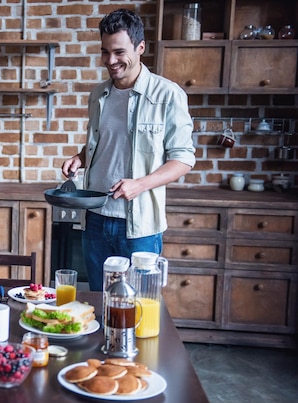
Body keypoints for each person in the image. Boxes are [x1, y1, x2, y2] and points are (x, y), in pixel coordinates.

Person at [62, 9, 196, 291]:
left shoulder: (167, 95)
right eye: (105, 52)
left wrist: (140, 185)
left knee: (139, 309)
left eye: (120, 52)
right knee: (101, 304)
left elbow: (183, 159)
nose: (111, 61)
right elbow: (105, 143)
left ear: (140, 48)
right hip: (96, 218)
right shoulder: (98, 95)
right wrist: (80, 157)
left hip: (139, 227)